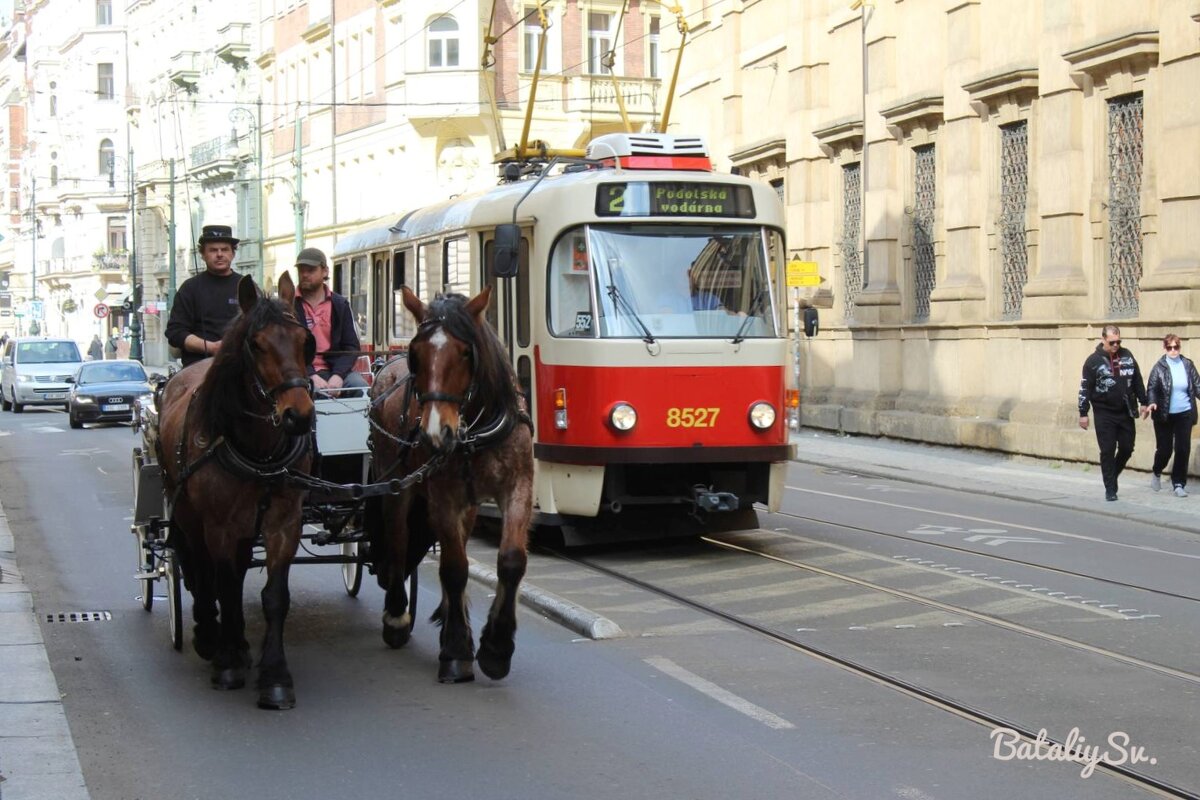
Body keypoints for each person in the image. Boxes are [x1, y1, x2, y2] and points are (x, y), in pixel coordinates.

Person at [1078, 324, 1149, 501]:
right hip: (1104, 413)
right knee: (1107, 450)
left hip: (1125, 411)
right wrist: (1083, 412)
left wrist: (1144, 402)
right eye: (1112, 342)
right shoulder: (1093, 361)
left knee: (1127, 447)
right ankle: (1110, 488)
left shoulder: (1127, 355)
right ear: (1103, 339)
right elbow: (1085, 387)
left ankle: (1113, 473)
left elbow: (1137, 380)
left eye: (1118, 341)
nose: (1116, 345)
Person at [291, 247, 367, 396]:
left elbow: (351, 347)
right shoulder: (289, 304)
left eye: (311, 270)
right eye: (301, 270)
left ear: (325, 271)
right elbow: (287, 349)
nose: (305, 275)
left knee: (358, 386)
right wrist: (311, 375)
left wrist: (338, 376)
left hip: (335, 370)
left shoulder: (340, 304)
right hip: (301, 371)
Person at [164, 224, 243, 368]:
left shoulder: (246, 286)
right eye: (213, 250)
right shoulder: (190, 288)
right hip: (198, 366)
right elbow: (175, 332)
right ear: (203, 254)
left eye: (224, 249)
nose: (219, 254)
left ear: (233, 253)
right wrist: (211, 347)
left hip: (241, 365)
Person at [1146, 334, 1200, 498]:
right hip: (1164, 414)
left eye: (1176, 347)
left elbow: (1197, 386)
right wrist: (1152, 402)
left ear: (1179, 347)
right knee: (1165, 449)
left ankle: (1178, 483)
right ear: (1165, 348)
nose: (1173, 351)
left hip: (1185, 412)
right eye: (1170, 348)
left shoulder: (1187, 364)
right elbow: (1152, 388)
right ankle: (1156, 471)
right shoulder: (1159, 367)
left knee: (1183, 449)